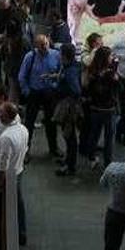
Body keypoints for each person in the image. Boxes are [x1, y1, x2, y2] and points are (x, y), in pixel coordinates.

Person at [0, 102, 29, 250]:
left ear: (5, 116)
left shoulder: (6, 137)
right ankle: (21, 233)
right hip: (18, 170)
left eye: (1, 113)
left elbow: (1, 166)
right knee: (18, 203)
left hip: (8, 177)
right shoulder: (23, 129)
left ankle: (0, 244)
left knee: (3, 212)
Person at [17, 35, 61, 157]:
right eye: (42, 45)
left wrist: (55, 85)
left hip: (49, 93)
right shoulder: (30, 57)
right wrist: (26, 91)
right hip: (34, 93)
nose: (45, 47)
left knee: (51, 122)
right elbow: (22, 76)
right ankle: (25, 151)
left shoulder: (56, 55)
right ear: (36, 46)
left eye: (46, 44)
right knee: (29, 124)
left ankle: (54, 148)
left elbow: (60, 72)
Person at [84, 47, 121, 167]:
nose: (112, 58)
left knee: (94, 135)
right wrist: (117, 79)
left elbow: (88, 89)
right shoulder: (110, 75)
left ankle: (92, 158)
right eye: (110, 56)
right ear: (106, 58)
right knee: (109, 138)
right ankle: (108, 163)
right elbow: (119, 89)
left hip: (95, 109)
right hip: (109, 110)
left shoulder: (92, 72)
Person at [53, 43, 85, 176]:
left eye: (60, 54)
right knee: (68, 135)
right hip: (70, 104)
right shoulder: (72, 67)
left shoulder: (70, 71)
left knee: (69, 136)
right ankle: (68, 159)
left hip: (69, 107)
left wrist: (59, 87)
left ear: (65, 56)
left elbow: (76, 90)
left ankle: (70, 165)